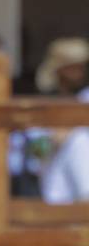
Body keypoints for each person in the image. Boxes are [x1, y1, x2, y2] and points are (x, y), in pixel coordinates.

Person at [34, 38, 89, 204]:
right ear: (59, 69)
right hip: (55, 186)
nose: (78, 71)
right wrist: (53, 139)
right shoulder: (42, 103)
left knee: (78, 140)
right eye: (72, 65)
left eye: (80, 65)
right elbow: (34, 150)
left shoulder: (86, 96)